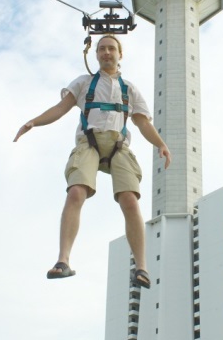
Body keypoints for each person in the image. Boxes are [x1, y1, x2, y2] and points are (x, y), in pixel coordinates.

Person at [14, 34, 171, 288]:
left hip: (119, 145)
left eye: (111, 49)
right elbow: (60, 108)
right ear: (96, 54)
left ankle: (141, 267)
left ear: (120, 55)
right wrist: (33, 121)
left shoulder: (129, 89)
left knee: (130, 200)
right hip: (89, 141)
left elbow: (142, 122)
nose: (106, 53)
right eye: (102, 49)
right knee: (76, 192)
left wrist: (161, 144)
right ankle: (63, 260)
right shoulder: (84, 83)